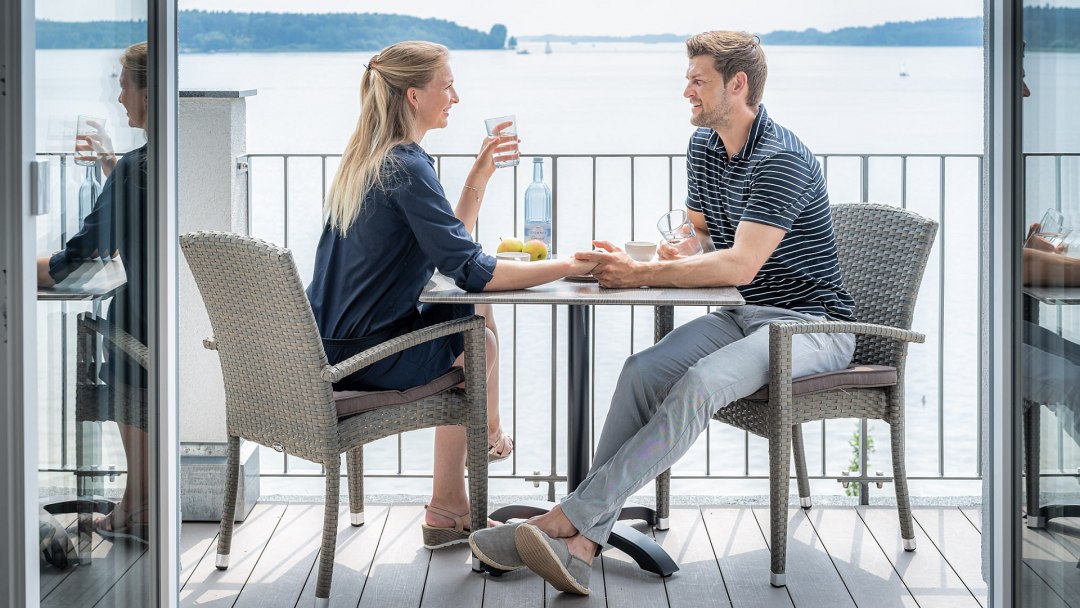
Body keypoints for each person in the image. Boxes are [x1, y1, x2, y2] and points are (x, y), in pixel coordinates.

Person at [470, 31, 857, 594]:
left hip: (812, 325)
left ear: (738, 84)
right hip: (745, 315)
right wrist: (680, 253)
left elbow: (741, 266)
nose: (686, 91)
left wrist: (641, 272)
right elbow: (703, 241)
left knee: (698, 384)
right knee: (641, 371)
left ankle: (565, 521)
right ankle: (580, 544)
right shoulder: (704, 146)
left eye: (698, 80)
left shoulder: (783, 160)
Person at [305, 41, 596, 550]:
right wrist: (570, 266)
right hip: (364, 358)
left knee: (472, 314)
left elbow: (450, 251)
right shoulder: (407, 168)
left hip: (329, 345)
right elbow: (472, 268)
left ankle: (452, 499)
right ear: (414, 95)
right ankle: (455, 489)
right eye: (447, 86)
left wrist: (478, 177)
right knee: (479, 340)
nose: (456, 97)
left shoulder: (372, 161)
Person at [36, 41, 150, 543]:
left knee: (122, 326)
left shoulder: (137, 169)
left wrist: (16, 266)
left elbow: (79, 258)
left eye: (124, 84)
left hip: (144, 332)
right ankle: (140, 498)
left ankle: (138, 502)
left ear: (147, 92)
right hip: (191, 324)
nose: (119, 96)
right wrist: (111, 165)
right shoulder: (157, 162)